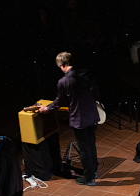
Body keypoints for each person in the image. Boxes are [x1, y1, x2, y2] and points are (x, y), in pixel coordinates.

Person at [39, 52, 100, 185]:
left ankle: (89, 178)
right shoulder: (86, 73)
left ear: (61, 65)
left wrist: (47, 109)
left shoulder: (64, 81)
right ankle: (94, 171)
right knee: (91, 145)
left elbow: (59, 101)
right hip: (92, 114)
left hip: (79, 119)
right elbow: (95, 92)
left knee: (84, 149)